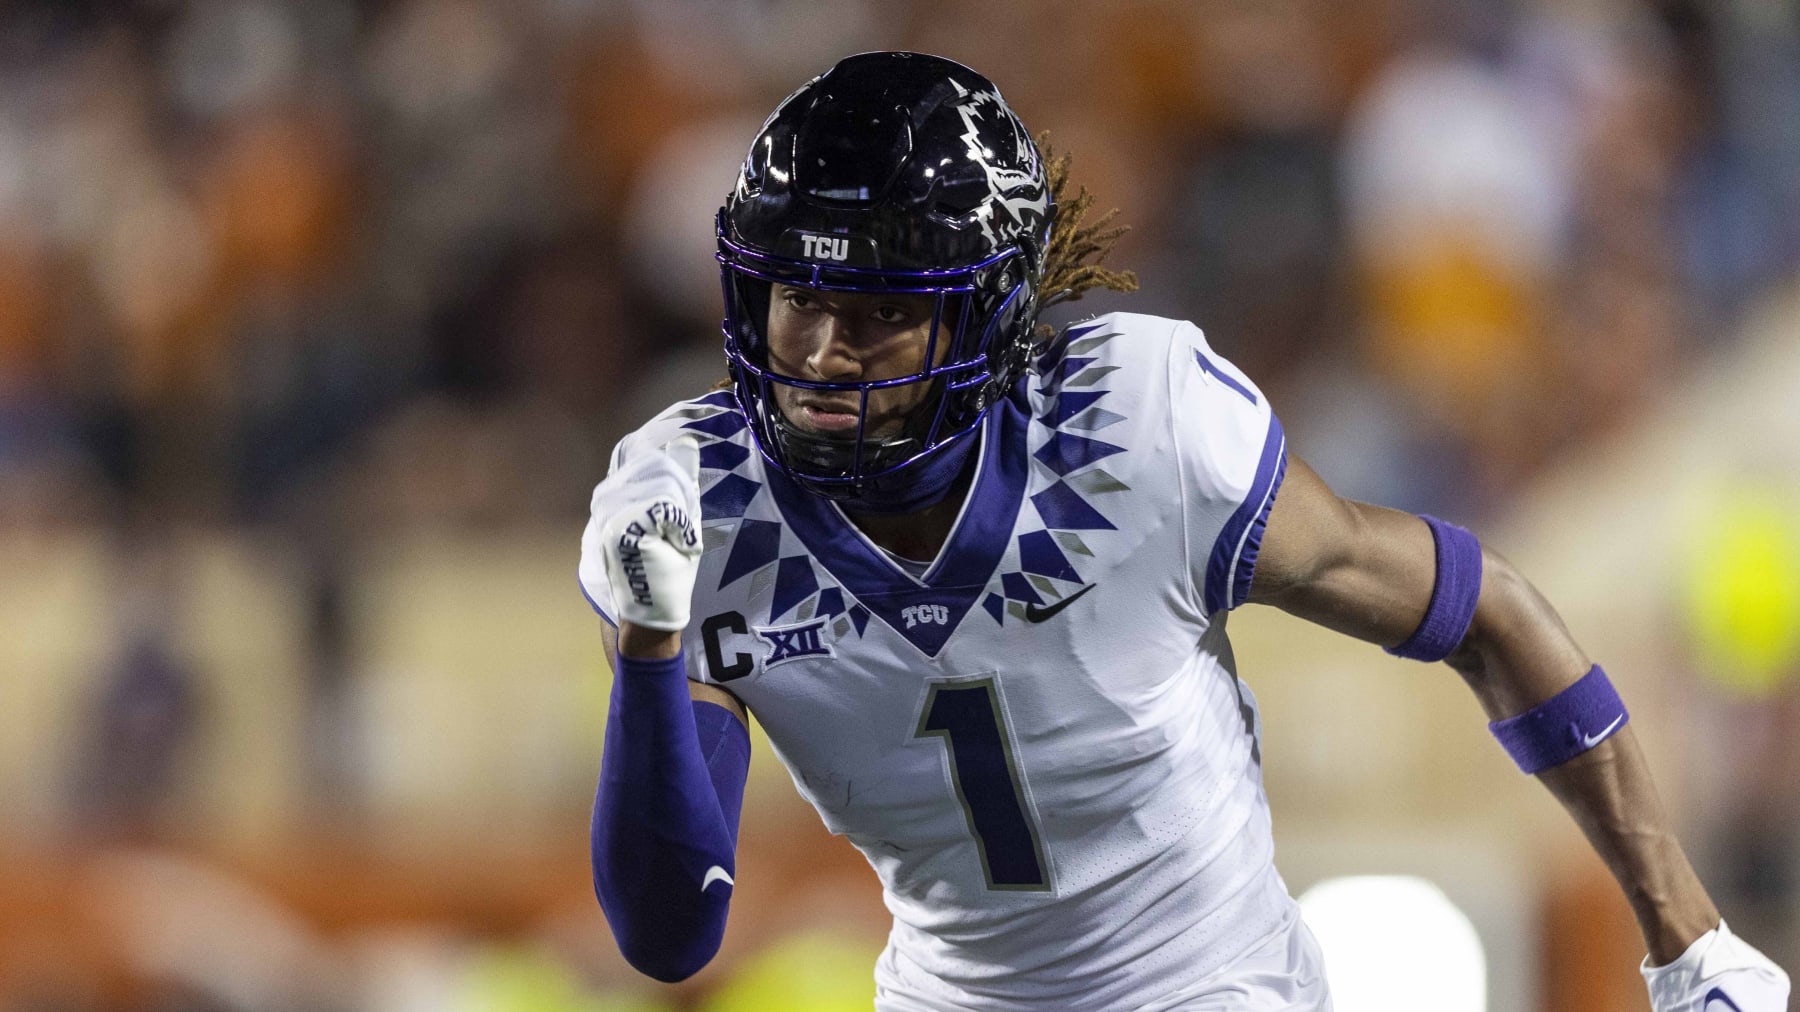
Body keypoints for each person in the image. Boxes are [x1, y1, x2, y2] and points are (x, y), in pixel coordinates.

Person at [579, 51, 1790, 1010]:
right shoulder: (699, 507)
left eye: (881, 312)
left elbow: (1480, 606)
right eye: (799, 300)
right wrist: (647, 647)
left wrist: (1688, 934)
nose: (823, 358)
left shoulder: (1144, 431)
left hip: (1211, 984)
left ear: (989, 317)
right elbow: (670, 929)